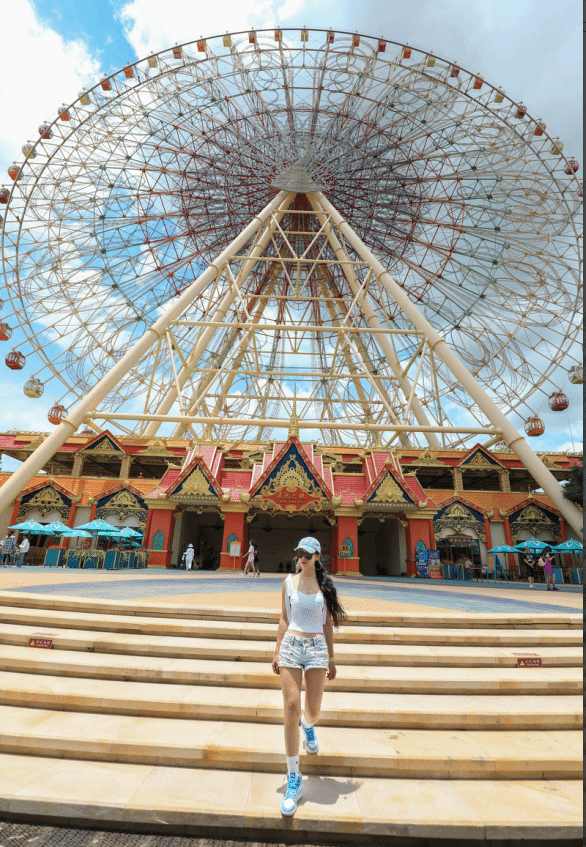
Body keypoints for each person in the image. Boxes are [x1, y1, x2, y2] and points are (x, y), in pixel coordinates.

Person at [271, 536, 347, 817]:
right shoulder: (288, 583)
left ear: (317, 556)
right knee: (291, 706)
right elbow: (284, 618)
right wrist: (277, 650)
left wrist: (332, 657)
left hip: (316, 648)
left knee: (312, 710)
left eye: (308, 553)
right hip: (291, 645)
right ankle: (294, 776)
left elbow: (327, 625)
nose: (302, 557)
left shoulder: (325, 586)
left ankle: (309, 725)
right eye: (299, 552)